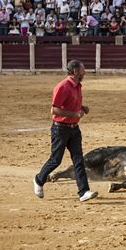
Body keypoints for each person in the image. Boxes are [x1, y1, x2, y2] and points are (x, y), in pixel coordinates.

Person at [33, 60, 98, 202]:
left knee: (78, 160)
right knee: (55, 160)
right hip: (60, 129)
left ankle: (83, 192)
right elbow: (54, 109)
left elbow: (71, 103)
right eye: (82, 69)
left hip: (74, 129)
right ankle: (39, 180)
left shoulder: (77, 86)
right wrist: (74, 114)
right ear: (75, 71)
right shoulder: (63, 86)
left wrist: (82, 107)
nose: (84, 71)